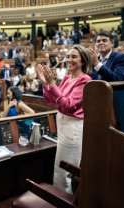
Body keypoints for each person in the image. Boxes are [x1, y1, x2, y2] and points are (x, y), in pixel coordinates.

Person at [36, 45, 92, 193]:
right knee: (59, 167)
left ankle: (62, 201)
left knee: (64, 171)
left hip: (73, 127)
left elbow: (68, 105)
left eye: (74, 57)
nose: (69, 60)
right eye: (68, 56)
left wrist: (52, 84)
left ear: (83, 61)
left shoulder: (85, 80)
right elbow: (51, 100)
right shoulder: (68, 78)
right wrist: (45, 82)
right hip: (63, 125)